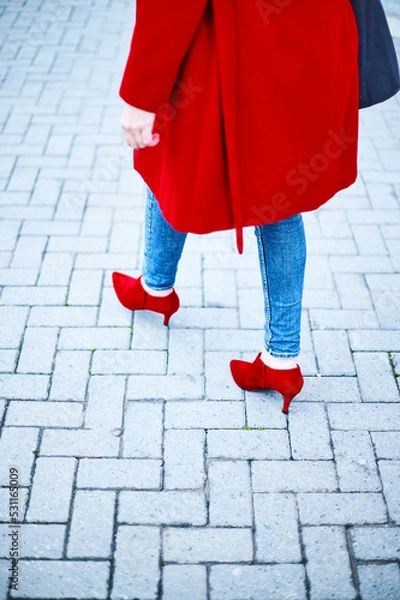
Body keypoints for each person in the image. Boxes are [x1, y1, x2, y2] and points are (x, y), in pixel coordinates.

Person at [112, 0, 359, 413]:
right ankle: (280, 358)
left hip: (234, 49)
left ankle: (155, 288)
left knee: (169, 158)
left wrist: (140, 93)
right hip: (309, 40)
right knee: (281, 193)